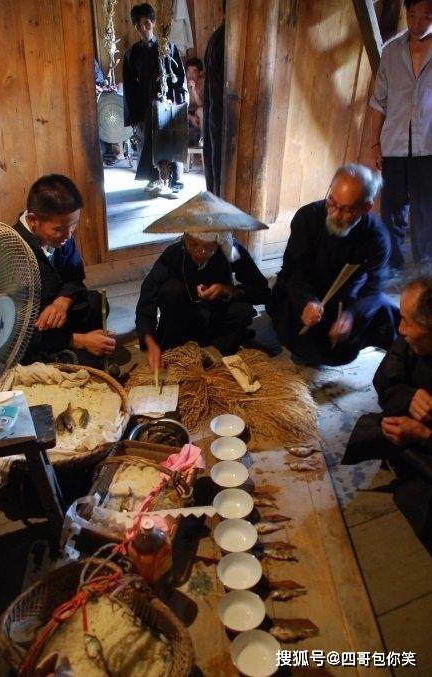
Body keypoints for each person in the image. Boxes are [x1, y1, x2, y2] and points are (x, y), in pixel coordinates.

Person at [269, 163, 399, 366]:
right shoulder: (308, 218)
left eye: (345, 209)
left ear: (366, 207)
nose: (335, 214)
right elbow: (293, 271)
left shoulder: (376, 236)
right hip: (308, 292)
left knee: (390, 312)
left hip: (346, 299)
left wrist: (352, 315)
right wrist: (306, 302)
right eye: (332, 202)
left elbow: (374, 287)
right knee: (306, 340)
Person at [342, 271, 432, 548]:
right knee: (372, 429)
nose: (400, 329)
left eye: (408, 321)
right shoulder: (407, 340)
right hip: (412, 428)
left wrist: (423, 434)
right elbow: (384, 380)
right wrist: (410, 396)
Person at [135, 192, 270, 371]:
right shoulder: (174, 254)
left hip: (216, 318)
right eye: (193, 244)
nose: (199, 252)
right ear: (185, 239)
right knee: (170, 290)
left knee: (242, 310)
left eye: (207, 247)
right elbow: (147, 298)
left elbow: (261, 291)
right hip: (182, 321)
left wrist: (226, 290)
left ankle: (218, 353)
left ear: (219, 243)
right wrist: (150, 342)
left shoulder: (231, 251)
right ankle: (176, 350)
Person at [14, 174, 116, 368]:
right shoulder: (12, 251)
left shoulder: (62, 237)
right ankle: (74, 350)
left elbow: (75, 278)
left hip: (58, 318)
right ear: (33, 219)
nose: (68, 235)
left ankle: (83, 347)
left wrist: (62, 302)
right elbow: (14, 330)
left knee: (96, 302)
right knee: (89, 365)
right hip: (34, 332)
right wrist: (79, 340)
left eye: (74, 224)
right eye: (59, 229)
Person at [369, 0, 432, 271]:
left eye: (426, 17)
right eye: (412, 15)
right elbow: (379, 102)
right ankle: (392, 265)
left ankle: (424, 268)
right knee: (393, 208)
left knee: (426, 208)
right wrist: (374, 143)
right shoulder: (391, 51)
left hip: (428, 145)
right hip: (393, 142)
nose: (417, 23)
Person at [123, 3, 187, 197]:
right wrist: (132, 116)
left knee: (170, 139)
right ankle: (153, 179)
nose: (143, 29)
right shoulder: (131, 54)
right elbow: (129, 87)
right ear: (135, 27)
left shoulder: (168, 47)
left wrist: (179, 105)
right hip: (144, 105)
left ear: (154, 23)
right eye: (138, 25)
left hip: (167, 104)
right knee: (147, 143)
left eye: (147, 23)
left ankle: (174, 180)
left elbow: (179, 78)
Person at [203, 3, 225, 196]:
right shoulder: (225, 38)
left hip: (216, 113)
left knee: (215, 161)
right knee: (220, 164)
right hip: (222, 114)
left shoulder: (217, 37)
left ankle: (216, 197)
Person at [185, 57, 204, 147]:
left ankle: (203, 138)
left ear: (200, 73)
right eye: (188, 71)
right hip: (184, 113)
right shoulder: (182, 83)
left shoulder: (203, 83)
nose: (190, 75)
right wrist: (190, 117)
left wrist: (194, 90)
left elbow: (200, 104)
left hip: (196, 112)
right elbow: (177, 106)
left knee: (201, 110)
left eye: (194, 71)